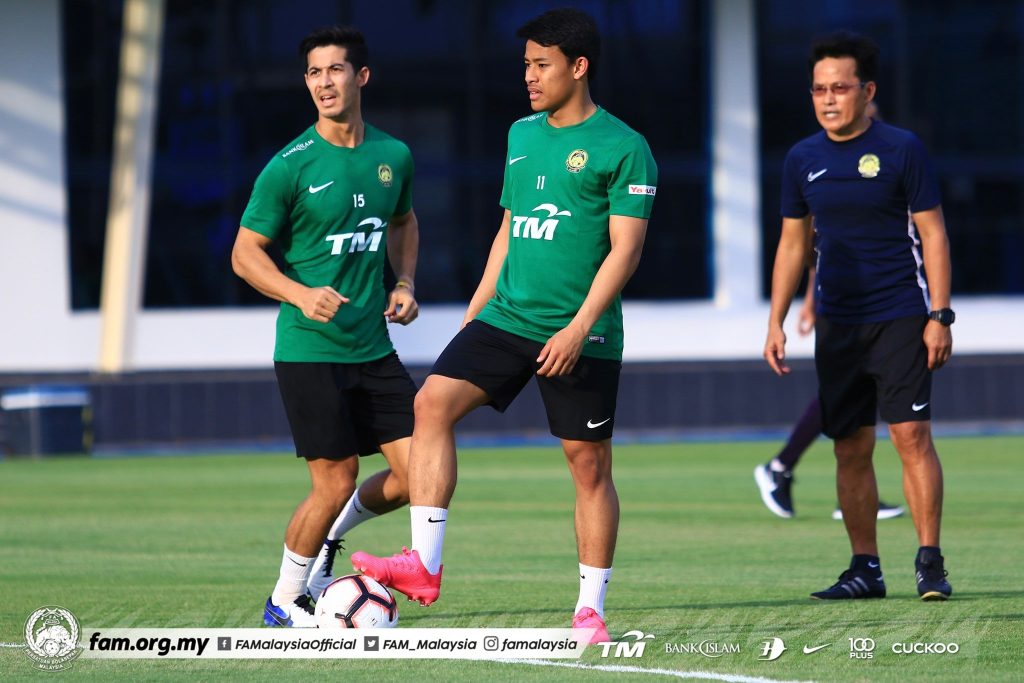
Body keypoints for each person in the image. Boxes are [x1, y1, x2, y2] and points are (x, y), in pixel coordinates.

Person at [351, 8, 657, 643]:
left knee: (589, 466)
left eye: (541, 65)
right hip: (506, 317)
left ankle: (590, 609)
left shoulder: (625, 147)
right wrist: (475, 310)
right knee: (430, 402)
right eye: (525, 65)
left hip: (583, 331)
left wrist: (576, 330)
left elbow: (625, 251)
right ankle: (424, 567)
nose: (530, 77)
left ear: (578, 67)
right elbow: (510, 229)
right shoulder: (520, 134)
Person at [231, 25, 420, 626]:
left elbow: (404, 222)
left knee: (425, 476)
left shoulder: (394, 156)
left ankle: (335, 537)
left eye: (334, 70)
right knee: (335, 478)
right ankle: (284, 599)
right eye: (313, 73)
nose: (323, 83)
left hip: (374, 346)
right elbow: (244, 254)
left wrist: (406, 282)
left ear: (361, 77)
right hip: (310, 350)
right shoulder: (288, 166)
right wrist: (298, 293)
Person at [764, 31, 954, 601]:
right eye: (819, 89)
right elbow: (793, 245)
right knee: (849, 445)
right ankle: (864, 569)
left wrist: (939, 315)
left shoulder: (902, 149)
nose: (828, 99)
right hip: (838, 326)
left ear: (867, 91)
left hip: (900, 314)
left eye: (840, 88)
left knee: (911, 435)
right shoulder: (802, 159)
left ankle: (929, 561)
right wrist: (776, 319)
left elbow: (934, 234)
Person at [754, 265, 904, 521]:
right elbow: (816, 242)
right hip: (844, 299)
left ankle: (852, 495)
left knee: (860, 391)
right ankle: (781, 466)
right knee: (846, 391)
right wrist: (812, 301)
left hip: (871, 296)